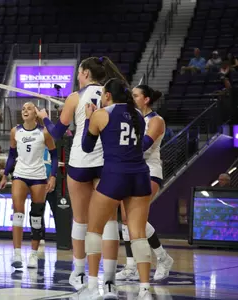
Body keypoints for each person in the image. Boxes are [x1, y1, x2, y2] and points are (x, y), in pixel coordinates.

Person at [36, 56, 127, 290]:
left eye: (79, 72)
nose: (77, 76)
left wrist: (45, 118)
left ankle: (78, 273)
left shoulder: (75, 97)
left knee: (81, 219)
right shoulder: (111, 95)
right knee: (108, 221)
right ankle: (109, 281)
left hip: (81, 160)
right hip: (107, 160)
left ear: (86, 73)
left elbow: (56, 133)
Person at [79, 78, 153, 300]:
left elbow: (86, 146)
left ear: (108, 96)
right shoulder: (138, 115)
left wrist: (88, 118)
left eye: (103, 94)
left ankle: (93, 286)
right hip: (140, 175)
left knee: (94, 229)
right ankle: (145, 290)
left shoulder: (103, 114)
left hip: (115, 174)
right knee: (138, 234)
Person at [116, 85, 174, 282]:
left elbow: (143, 145)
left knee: (135, 218)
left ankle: (162, 258)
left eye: (135, 96)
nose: (132, 99)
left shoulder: (156, 120)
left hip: (150, 170)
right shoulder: (130, 119)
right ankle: (131, 265)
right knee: (125, 218)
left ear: (146, 99)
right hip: (131, 169)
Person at [0, 102, 58, 269]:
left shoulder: (44, 132)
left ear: (36, 113)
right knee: (18, 213)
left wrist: (52, 176)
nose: (25, 110)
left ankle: (33, 254)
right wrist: (5, 175)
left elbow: (54, 156)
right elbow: (11, 155)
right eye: (23, 108)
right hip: (20, 175)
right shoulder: (15, 131)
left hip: (39, 176)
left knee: (36, 217)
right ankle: (17, 253)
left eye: (29, 108)